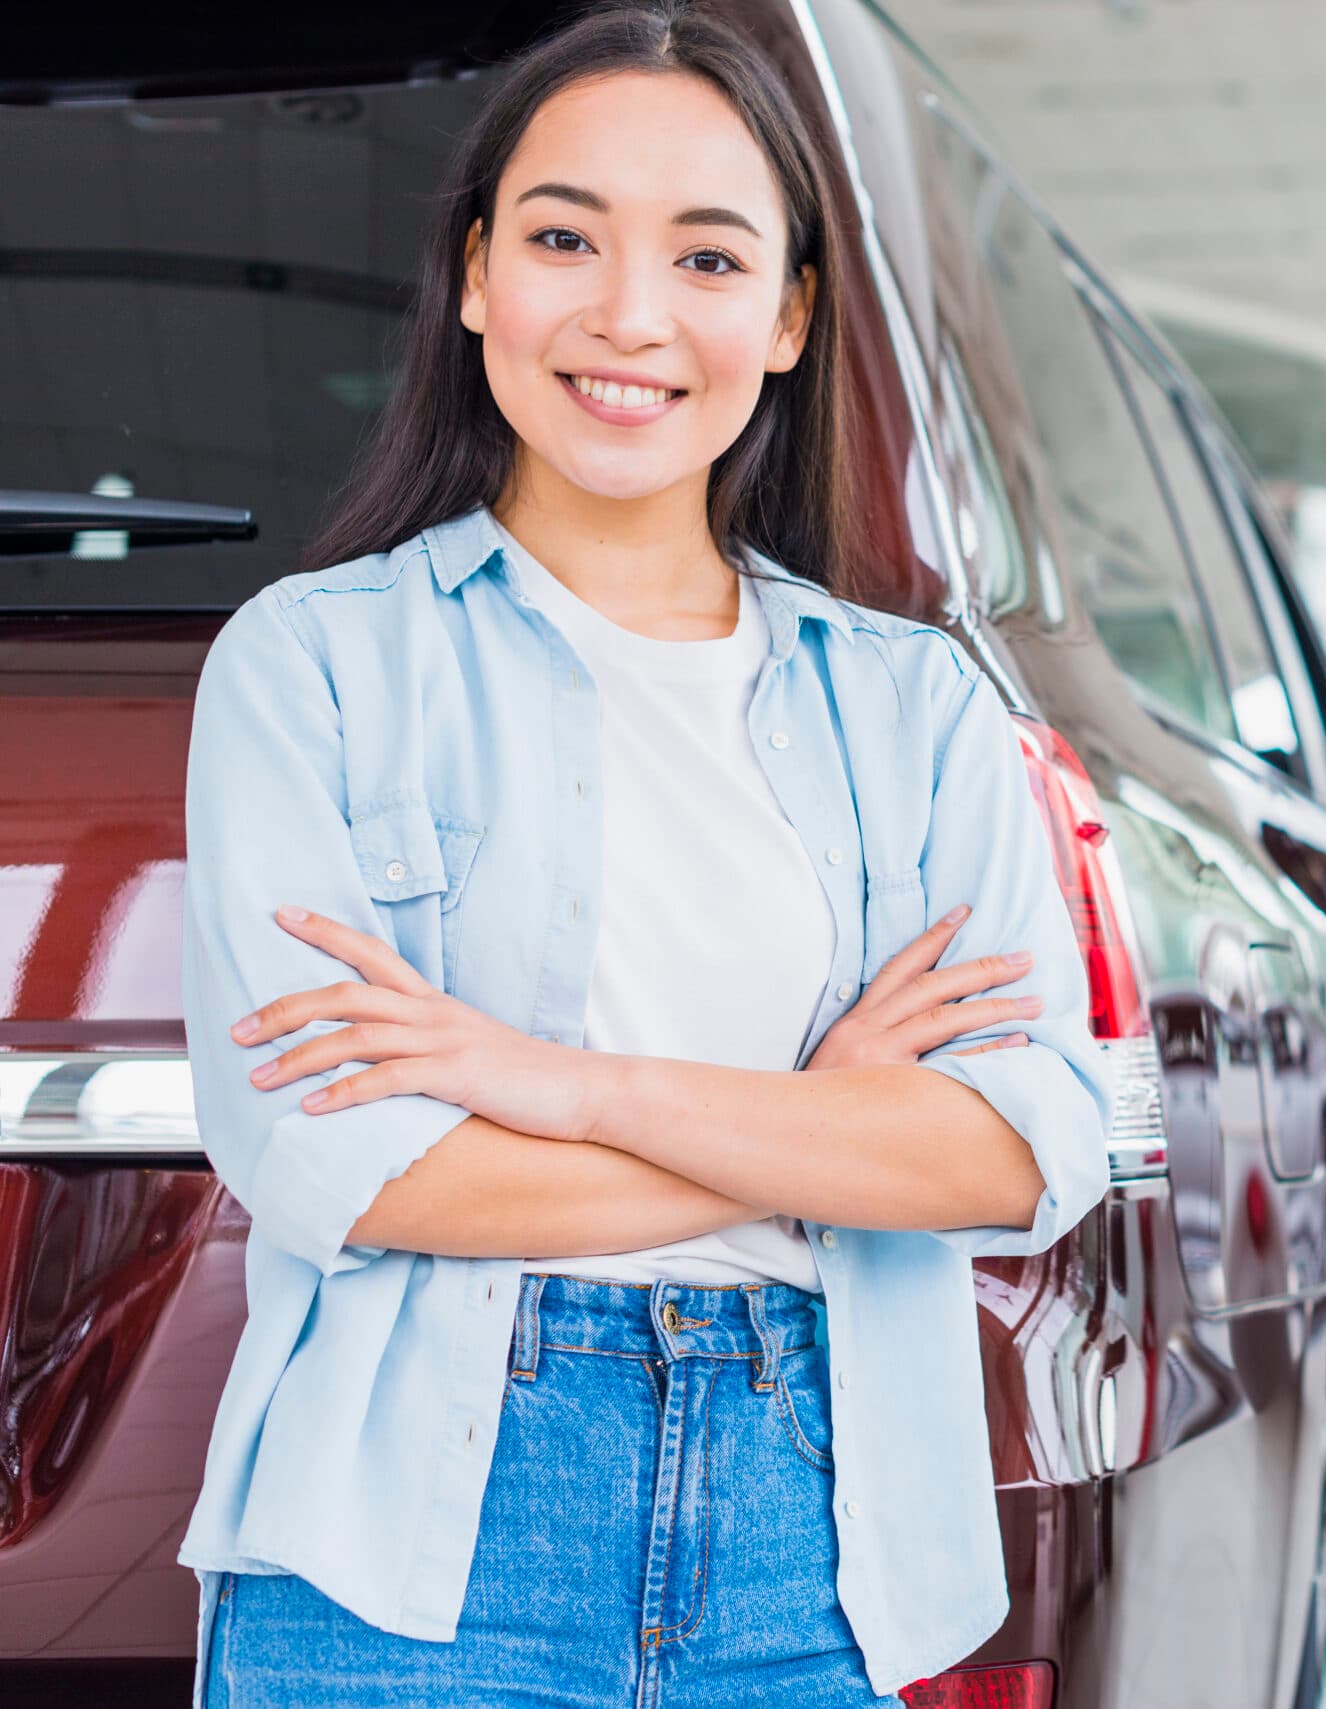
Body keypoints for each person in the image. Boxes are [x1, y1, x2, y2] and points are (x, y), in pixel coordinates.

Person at [175, 6, 1110, 1705]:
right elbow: (349, 1169)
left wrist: (559, 1085)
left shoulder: (915, 707)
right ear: (476, 276)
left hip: (813, 1544)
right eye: (563, 239)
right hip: (415, 1552)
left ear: (788, 315)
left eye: (707, 256)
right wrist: (818, 1129)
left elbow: (1021, 1148)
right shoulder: (313, 664)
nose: (628, 314)